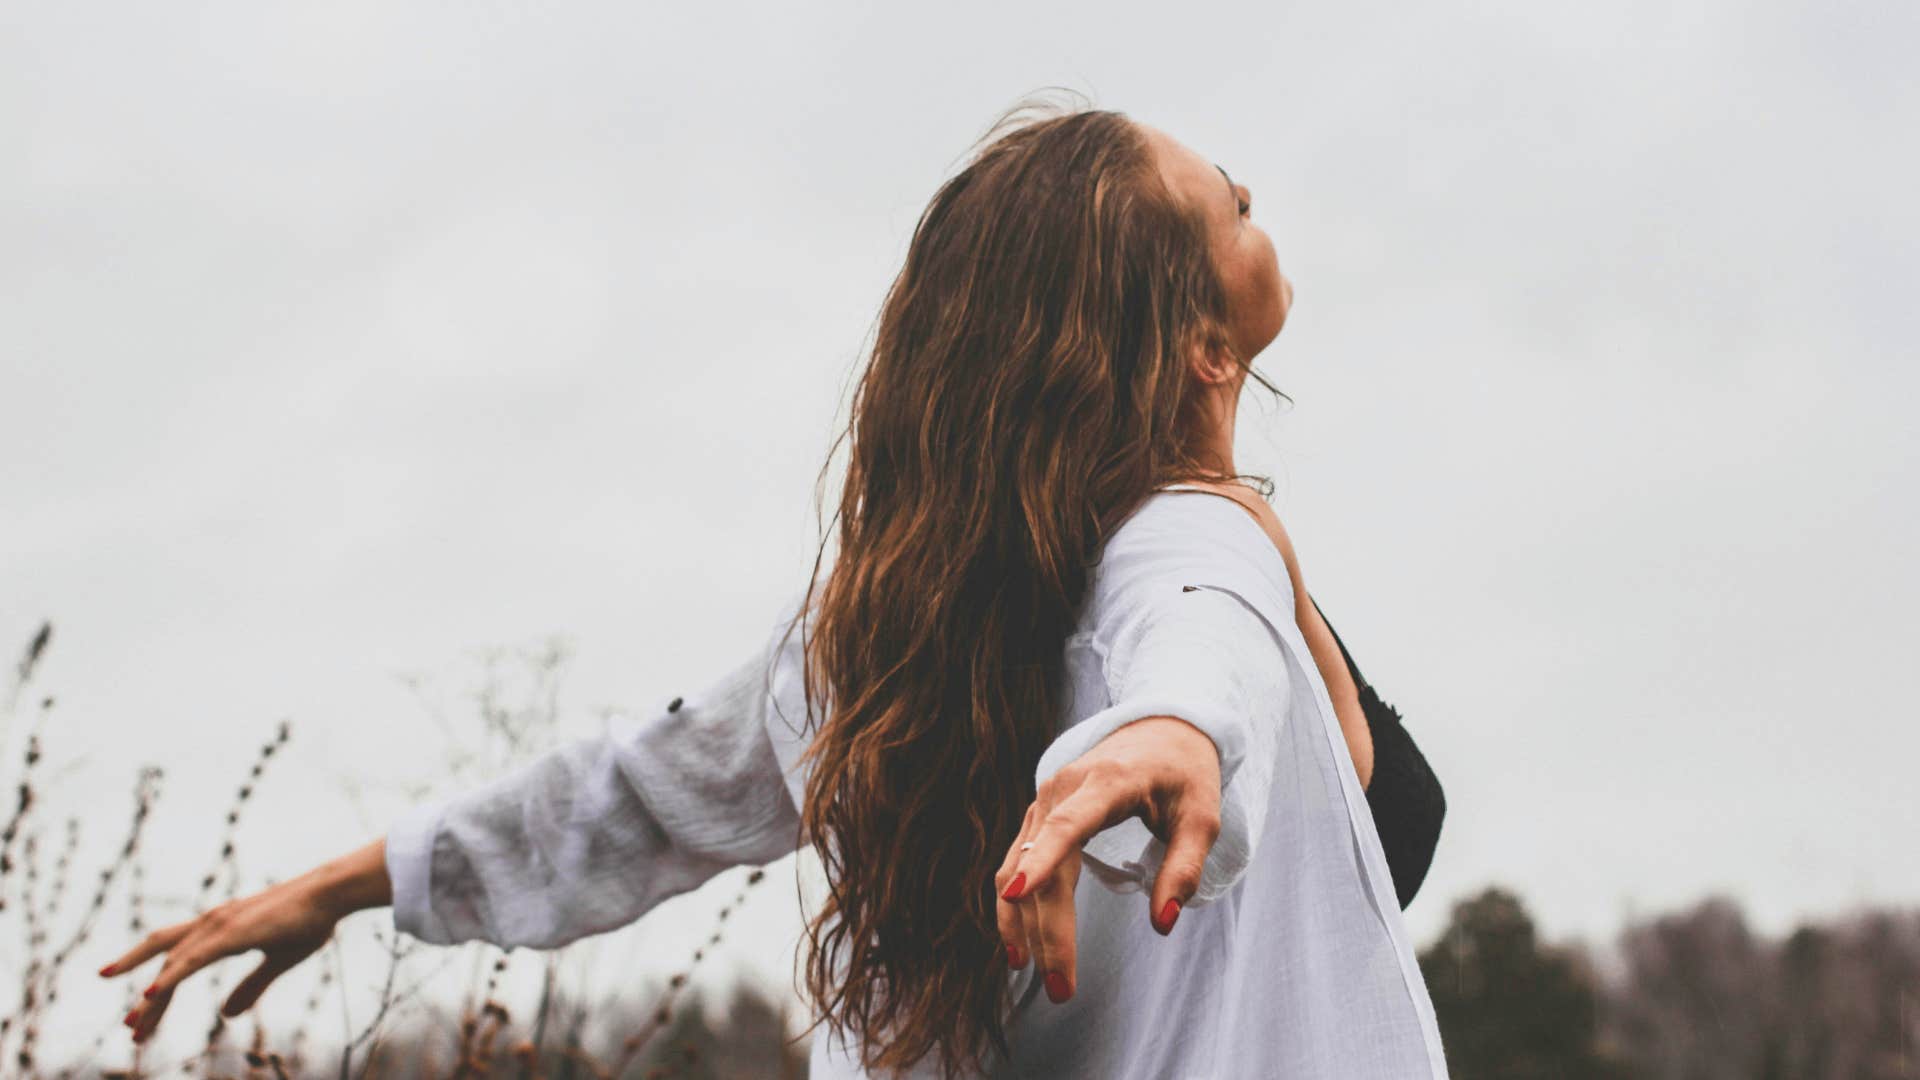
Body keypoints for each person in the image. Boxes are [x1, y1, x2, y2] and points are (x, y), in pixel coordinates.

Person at [97, 95, 1450, 1078]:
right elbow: (1190, 649)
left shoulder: (878, 641)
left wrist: (356, 882)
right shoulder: (1186, 545)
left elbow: (627, 798)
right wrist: (1168, 735)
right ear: (1202, 345)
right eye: (1233, 204)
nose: (1254, 195)